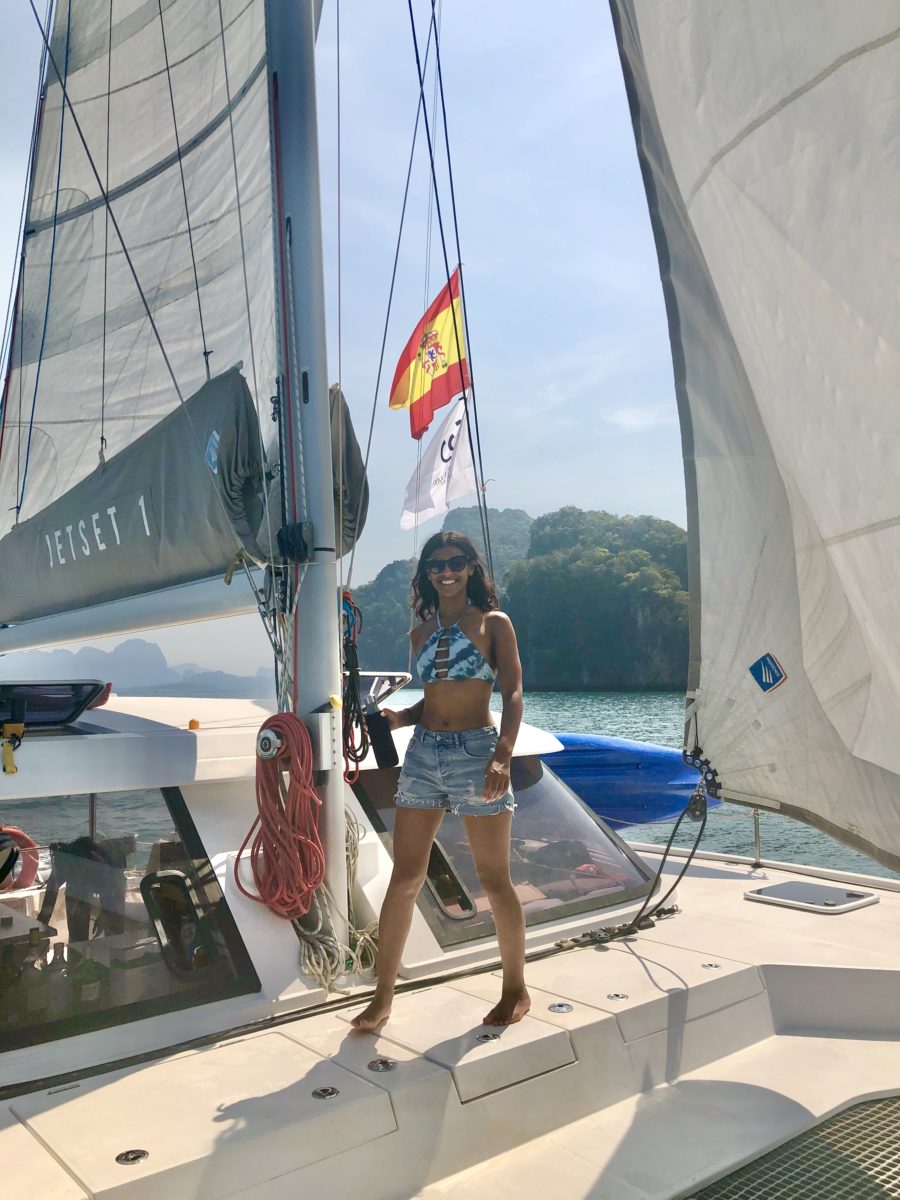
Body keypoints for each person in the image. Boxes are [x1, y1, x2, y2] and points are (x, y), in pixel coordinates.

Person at [352, 531, 530, 1031]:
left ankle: (515, 988)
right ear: (426, 574)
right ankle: (382, 997)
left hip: (477, 753)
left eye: (455, 562)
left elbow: (513, 693)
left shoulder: (494, 623)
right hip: (424, 753)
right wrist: (400, 718)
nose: (445, 571)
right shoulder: (420, 634)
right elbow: (433, 701)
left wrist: (503, 756)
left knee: (494, 879)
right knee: (406, 877)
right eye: (435, 564)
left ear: (470, 567)